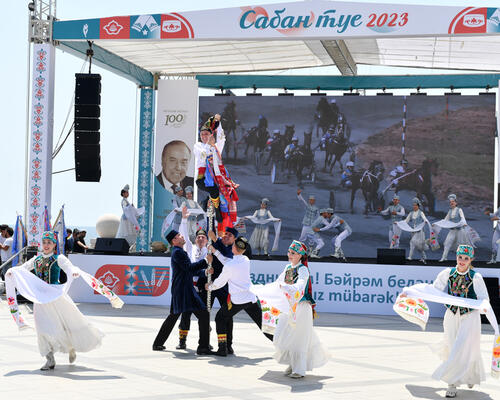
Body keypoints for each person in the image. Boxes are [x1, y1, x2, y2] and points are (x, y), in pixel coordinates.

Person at [5, 231, 104, 370]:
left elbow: (69, 267)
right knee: (42, 328)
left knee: (65, 324)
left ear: (54, 245)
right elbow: (23, 268)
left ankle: (71, 347)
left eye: (49, 243)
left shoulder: (59, 258)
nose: (46, 245)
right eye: (44, 242)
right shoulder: (36, 259)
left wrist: (73, 272)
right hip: (40, 299)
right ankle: (49, 358)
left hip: (56, 296)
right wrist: (12, 272)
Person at [400, 245, 489, 398]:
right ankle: (455, 380)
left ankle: (456, 382)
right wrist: (411, 292)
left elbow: (484, 298)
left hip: (470, 317)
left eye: (466, 258)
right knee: (452, 345)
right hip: (451, 315)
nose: (462, 261)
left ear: (471, 260)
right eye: (460, 257)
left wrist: (484, 307)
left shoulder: (476, 277)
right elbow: (433, 290)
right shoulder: (448, 273)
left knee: (465, 347)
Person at [207, 236, 273, 356]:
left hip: (237, 301)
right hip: (250, 298)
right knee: (263, 325)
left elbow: (220, 282)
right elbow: (227, 262)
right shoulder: (245, 260)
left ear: (234, 247)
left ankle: (223, 348)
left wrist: (210, 286)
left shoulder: (230, 266)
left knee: (220, 318)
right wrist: (215, 252)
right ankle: (282, 343)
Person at [273, 240, 328, 378]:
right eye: (289, 252)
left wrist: (287, 287)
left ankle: (299, 369)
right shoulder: (288, 267)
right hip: (288, 307)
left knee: (299, 338)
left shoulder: (303, 269)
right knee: (281, 336)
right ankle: (293, 363)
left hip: (301, 307)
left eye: (293, 253)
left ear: (300, 255)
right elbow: (278, 283)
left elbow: (300, 285)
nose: (289, 255)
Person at [152, 229, 212, 355]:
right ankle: (203, 347)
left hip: (182, 289)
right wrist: (206, 261)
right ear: (174, 240)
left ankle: (158, 343)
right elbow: (189, 268)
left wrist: (205, 272)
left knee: (174, 316)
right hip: (184, 290)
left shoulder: (179, 252)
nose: (182, 236)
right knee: (203, 315)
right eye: (179, 235)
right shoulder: (178, 252)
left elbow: (189, 270)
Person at [194, 114, 239, 229]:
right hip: (203, 177)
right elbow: (203, 155)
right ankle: (217, 210)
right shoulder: (198, 146)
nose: (204, 136)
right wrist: (210, 145)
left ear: (211, 135)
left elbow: (222, 138)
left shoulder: (216, 146)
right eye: (202, 134)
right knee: (213, 190)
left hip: (218, 175)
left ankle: (227, 220)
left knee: (227, 194)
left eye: (206, 134)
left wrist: (218, 123)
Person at [175, 208, 209, 350]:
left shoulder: (209, 252)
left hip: (202, 288)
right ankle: (182, 341)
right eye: (198, 237)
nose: (200, 239)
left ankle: (205, 341)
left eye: (203, 237)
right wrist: (184, 219)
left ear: (206, 240)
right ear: (195, 239)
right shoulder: (190, 248)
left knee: (204, 316)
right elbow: (183, 235)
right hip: (189, 287)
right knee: (185, 315)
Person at [434, 194, 472, 262]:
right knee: (447, 243)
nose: (452, 203)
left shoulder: (459, 210)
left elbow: (463, 218)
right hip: (452, 230)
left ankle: (462, 260)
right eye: (450, 202)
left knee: (460, 245)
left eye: (453, 201)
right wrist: (437, 224)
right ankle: (444, 257)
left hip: (460, 231)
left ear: (456, 202)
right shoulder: (450, 211)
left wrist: (464, 223)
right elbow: (445, 220)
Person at [397, 198, 431, 263]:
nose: (414, 206)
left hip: (420, 231)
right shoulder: (411, 213)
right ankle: (424, 257)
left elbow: (424, 218)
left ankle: (410, 257)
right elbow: (406, 221)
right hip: (413, 231)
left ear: (418, 206)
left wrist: (425, 221)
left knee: (412, 242)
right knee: (418, 246)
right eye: (413, 205)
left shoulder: (421, 213)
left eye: (415, 205)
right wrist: (399, 223)